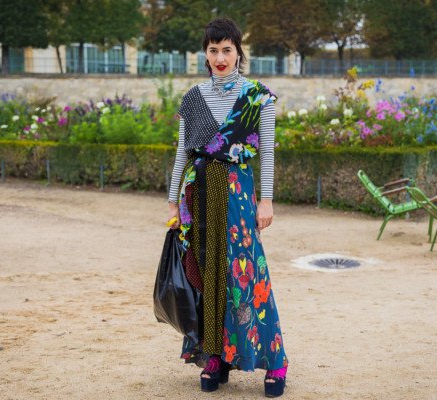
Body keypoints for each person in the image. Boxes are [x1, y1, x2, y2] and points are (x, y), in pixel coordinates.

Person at [166, 17, 288, 398]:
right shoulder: (193, 98)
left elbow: (266, 153)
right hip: (198, 195)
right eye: (213, 49)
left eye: (227, 50)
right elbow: (181, 155)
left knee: (246, 273)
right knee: (206, 272)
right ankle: (215, 356)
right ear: (205, 53)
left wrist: (265, 200)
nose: (220, 57)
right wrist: (172, 201)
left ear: (239, 53)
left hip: (237, 193)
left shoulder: (258, 97)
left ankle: (276, 359)